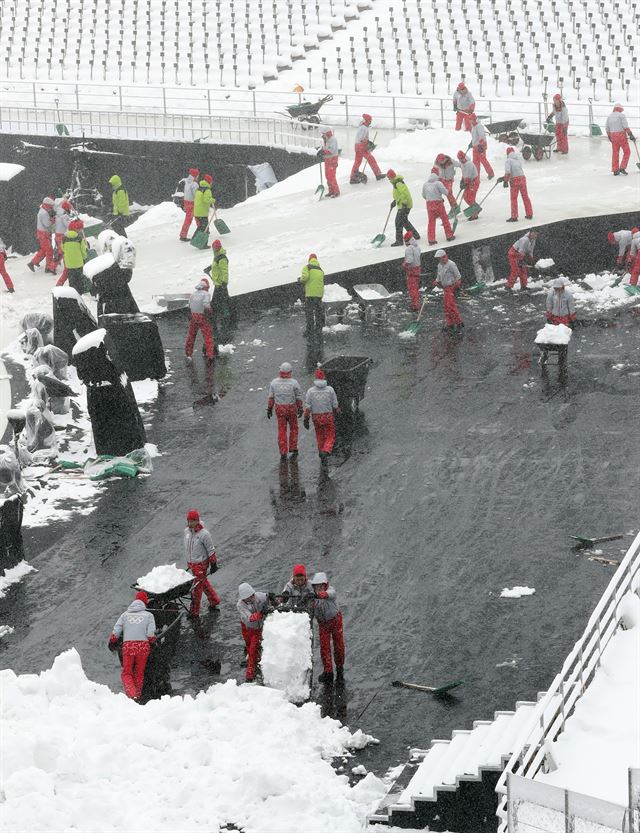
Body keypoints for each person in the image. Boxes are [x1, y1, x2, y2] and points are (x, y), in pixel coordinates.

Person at [108, 590, 156, 701]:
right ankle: (138, 696)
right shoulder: (149, 616)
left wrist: (112, 641)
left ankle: (132, 695)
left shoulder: (125, 615)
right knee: (139, 673)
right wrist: (153, 643)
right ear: (145, 602)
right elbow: (150, 634)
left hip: (128, 647)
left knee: (127, 673)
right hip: (143, 648)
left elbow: (116, 631)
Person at [184, 508, 220, 618]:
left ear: (197, 521)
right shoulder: (187, 532)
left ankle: (194, 612)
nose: (190, 523)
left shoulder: (204, 534)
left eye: (192, 521)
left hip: (200, 565)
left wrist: (213, 564)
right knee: (203, 583)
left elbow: (211, 549)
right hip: (191, 564)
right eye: (188, 521)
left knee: (197, 589)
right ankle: (214, 600)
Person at [92, 236, 139, 316]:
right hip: (116, 301)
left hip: (112, 301)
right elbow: (125, 278)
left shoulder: (106, 265)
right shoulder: (114, 267)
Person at [311, 572, 344, 683]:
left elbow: (329, 594)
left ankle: (340, 669)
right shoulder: (313, 596)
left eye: (321, 586)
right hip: (323, 623)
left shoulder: (331, 591)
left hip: (335, 620)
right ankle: (328, 672)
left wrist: (320, 595)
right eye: (316, 586)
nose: (318, 588)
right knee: (324, 648)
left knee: (338, 645)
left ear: (325, 585)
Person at [267, 361, 303, 461]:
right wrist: (300, 408)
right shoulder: (294, 383)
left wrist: (269, 408)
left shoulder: (274, 383)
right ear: (290, 372)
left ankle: (283, 451)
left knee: (282, 430)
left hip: (280, 409)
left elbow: (271, 397)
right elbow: (298, 397)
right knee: (294, 428)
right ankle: (293, 448)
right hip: (291, 409)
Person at [303, 368, 339, 467]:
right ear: (324, 377)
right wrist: (337, 411)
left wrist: (306, 418)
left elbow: (308, 406)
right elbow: (335, 404)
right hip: (328, 416)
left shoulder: (310, 391)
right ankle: (326, 451)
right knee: (330, 435)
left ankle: (321, 452)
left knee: (319, 435)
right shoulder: (330, 390)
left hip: (316, 417)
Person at [237, 582, 269, 682]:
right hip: (248, 628)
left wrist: (271, 596)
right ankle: (252, 663)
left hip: (259, 627)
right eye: (249, 597)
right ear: (244, 598)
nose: (252, 598)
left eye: (252, 595)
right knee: (249, 644)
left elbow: (267, 597)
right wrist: (260, 613)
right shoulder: (240, 605)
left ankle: (252, 666)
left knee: (253, 648)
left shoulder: (258, 596)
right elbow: (250, 618)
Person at [422, 167, 456, 246]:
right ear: (437, 174)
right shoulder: (438, 183)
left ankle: (431, 239)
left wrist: (430, 198)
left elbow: (424, 195)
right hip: (438, 204)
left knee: (431, 222)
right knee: (444, 219)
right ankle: (449, 236)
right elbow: (446, 192)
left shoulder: (425, 184)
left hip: (429, 204)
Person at [207, 239, 232, 340]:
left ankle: (224, 319)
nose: (213, 250)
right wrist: (209, 268)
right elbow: (215, 267)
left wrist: (224, 283)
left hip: (221, 285)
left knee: (220, 302)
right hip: (218, 285)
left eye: (214, 248)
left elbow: (224, 271)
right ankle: (224, 318)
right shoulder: (216, 256)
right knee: (222, 301)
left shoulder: (222, 258)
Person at [185, 278, 215, 362]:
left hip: (193, 317)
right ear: (206, 287)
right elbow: (206, 305)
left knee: (191, 336)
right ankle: (210, 355)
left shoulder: (193, 294)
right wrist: (211, 312)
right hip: (202, 317)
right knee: (207, 336)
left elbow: (189, 305)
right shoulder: (206, 294)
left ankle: (188, 353)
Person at [499, 147, 533, 222]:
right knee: (525, 197)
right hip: (522, 179)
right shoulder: (517, 161)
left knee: (514, 199)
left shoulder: (508, 161)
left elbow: (508, 172)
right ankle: (529, 214)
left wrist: (505, 181)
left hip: (515, 180)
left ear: (507, 153)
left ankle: (514, 217)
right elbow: (516, 171)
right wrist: (503, 178)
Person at [387, 169, 419, 245]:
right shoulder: (396, 182)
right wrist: (395, 201)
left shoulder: (398, 183)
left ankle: (399, 241)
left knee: (398, 222)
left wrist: (404, 203)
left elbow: (404, 193)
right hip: (404, 204)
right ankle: (415, 235)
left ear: (391, 176)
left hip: (404, 205)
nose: (388, 179)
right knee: (404, 221)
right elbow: (399, 195)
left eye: (388, 177)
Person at [434, 249, 464, 331]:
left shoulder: (451, 264)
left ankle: (459, 322)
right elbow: (439, 276)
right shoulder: (439, 265)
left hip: (451, 287)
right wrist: (436, 281)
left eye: (442, 258)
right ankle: (450, 323)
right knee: (446, 306)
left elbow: (458, 276)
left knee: (451, 305)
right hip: (445, 288)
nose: (441, 260)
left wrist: (457, 285)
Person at [350, 114, 384, 184]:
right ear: (366, 121)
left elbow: (361, 139)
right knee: (371, 159)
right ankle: (378, 174)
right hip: (361, 146)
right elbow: (361, 139)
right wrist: (368, 143)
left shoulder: (362, 127)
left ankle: (353, 178)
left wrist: (368, 143)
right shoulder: (363, 128)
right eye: (369, 121)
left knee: (357, 162)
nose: (370, 122)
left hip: (358, 146)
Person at [27, 197, 56, 273]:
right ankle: (48, 267)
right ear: (47, 205)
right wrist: (53, 220)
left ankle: (32, 262)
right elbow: (47, 224)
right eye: (50, 206)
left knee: (44, 250)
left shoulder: (43, 211)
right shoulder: (44, 213)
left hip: (42, 234)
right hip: (44, 235)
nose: (51, 208)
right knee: (49, 250)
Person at [56, 221, 87, 293]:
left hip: (69, 263)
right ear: (77, 229)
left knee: (72, 280)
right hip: (79, 263)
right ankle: (80, 292)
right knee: (79, 279)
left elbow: (62, 248)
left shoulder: (64, 238)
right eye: (80, 229)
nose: (80, 231)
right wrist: (84, 258)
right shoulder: (79, 239)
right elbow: (83, 251)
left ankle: (73, 292)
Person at [299, 253, 325, 337]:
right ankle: (319, 330)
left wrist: (300, 280)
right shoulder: (320, 269)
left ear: (309, 259)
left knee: (309, 313)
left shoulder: (307, 267)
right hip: (319, 294)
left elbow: (305, 277)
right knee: (318, 312)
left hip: (310, 294)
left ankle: (309, 331)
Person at [606, 104, 634, 176]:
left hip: (613, 136)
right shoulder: (621, 115)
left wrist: (609, 136)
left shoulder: (609, 116)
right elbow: (625, 126)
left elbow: (607, 127)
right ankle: (622, 167)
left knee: (615, 153)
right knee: (627, 151)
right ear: (620, 109)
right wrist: (630, 134)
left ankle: (615, 170)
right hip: (621, 136)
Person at [469, 113, 494, 179]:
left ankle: (491, 173)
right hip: (475, 147)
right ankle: (477, 176)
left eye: (471, 119)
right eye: (470, 120)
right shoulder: (473, 127)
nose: (470, 121)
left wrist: (481, 146)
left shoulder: (479, 126)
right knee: (475, 162)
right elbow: (475, 137)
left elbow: (482, 136)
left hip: (480, 146)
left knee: (483, 161)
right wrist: (471, 143)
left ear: (474, 119)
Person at [402, 230, 422, 311]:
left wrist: (404, 264)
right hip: (418, 268)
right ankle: (415, 303)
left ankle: (415, 305)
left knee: (412, 289)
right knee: (415, 288)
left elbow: (409, 260)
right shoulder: (417, 247)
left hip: (411, 270)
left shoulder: (409, 249)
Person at [457, 151, 480, 220]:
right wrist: (462, 181)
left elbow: (468, 176)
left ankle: (475, 214)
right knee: (466, 197)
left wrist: (465, 183)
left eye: (462, 158)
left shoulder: (469, 164)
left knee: (470, 198)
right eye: (460, 159)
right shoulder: (462, 164)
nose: (461, 160)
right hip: (468, 182)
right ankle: (476, 208)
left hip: (474, 182)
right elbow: (464, 174)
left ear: (464, 157)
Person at [179, 167, 200, 240]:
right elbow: (196, 195)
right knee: (198, 217)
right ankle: (201, 231)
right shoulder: (194, 184)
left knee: (188, 219)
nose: (198, 176)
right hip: (192, 203)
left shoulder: (187, 182)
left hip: (186, 202)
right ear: (195, 175)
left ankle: (183, 234)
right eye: (197, 175)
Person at [319, 126, 340, 197]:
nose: (323, 136)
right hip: (327, 160)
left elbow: (331, 150)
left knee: (331, 176)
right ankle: (331, 191)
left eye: (323, 134)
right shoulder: (326, 140)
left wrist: (323, 152)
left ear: (327, 134)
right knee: (327, 176)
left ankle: (336, 191)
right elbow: (325, 149)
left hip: (333, 159)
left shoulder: (333, 140)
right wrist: (320, 151)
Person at [54, 199, 73, 263]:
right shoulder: (64, 215)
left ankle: (54, 265)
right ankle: (52, 267)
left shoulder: (58, 213)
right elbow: (68, 225)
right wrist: (73, 223)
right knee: (61, 252)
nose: (69, 211)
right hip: (61, 235)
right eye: (69, 209)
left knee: (60, 251)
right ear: (67, 208)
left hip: (57, 234)